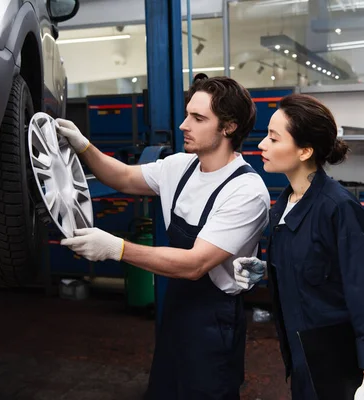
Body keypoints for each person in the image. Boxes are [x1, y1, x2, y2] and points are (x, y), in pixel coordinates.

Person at [58, 75, 271, 399]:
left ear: (228, 127)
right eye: (187, 114)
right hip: (176, 310)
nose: (184, 124)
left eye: (198, 118)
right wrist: (83, 146)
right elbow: (124, 177)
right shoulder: (180, 167)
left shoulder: (246, 191)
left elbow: (195, 264)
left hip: (213, 321)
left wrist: (117, 248)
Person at [233, 93, 364, 400]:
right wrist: (266, 270)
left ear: (304, 150)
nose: (262, 145)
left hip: (339, 362)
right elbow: (317, 268)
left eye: (274, 139)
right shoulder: (285, 205)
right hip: (304, 356)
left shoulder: (338, 208)